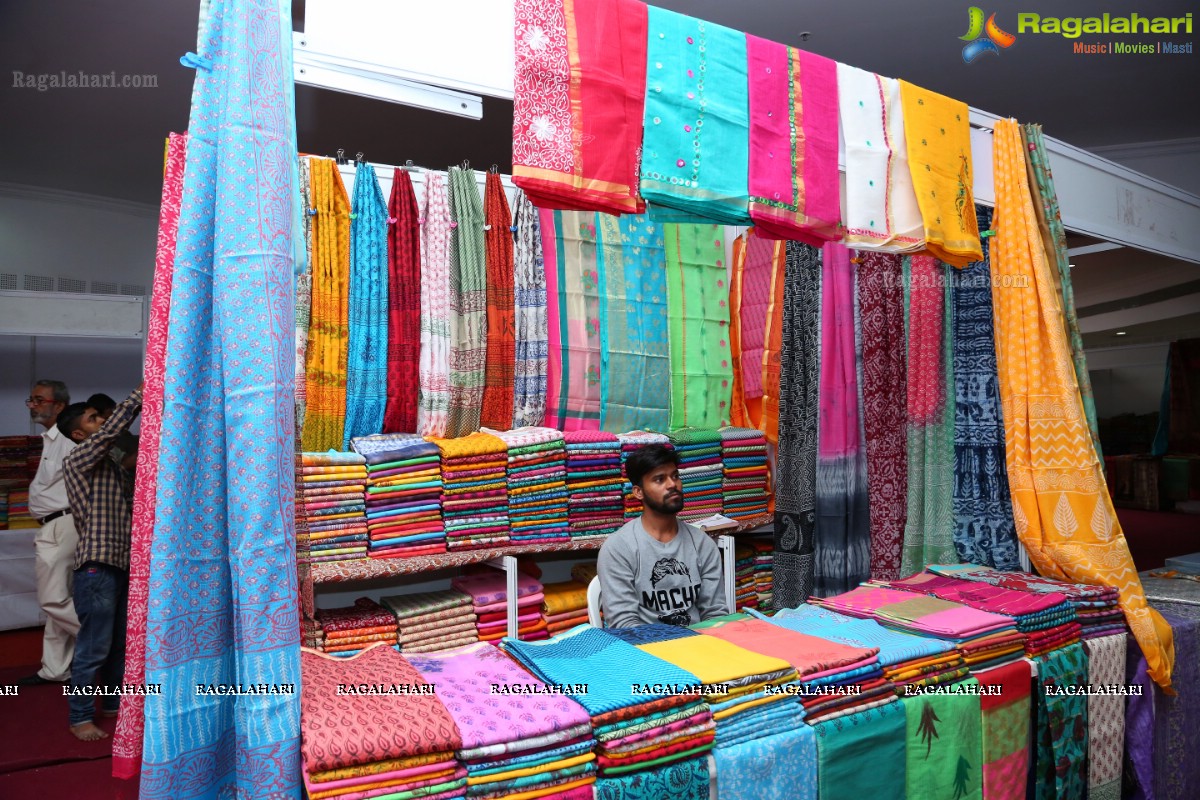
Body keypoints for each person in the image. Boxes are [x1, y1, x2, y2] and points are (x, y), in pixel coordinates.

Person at [58, 386, 142, 741]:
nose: (102, 422)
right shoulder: (77, 460)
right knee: (93, 646)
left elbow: (137, 454)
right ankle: (79, 717)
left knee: (118, 644)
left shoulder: (111, 464)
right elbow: (111, 434)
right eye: (93, 419)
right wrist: (139, 396)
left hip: (118, 564)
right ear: (79, 434)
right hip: (96, 566)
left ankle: (112, 705)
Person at [597, 444, 727, 628]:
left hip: (698, 648)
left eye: (675, 476)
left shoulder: (702, 544)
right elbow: (624, 624)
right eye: (659, 479)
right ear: (638, 492)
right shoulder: (618, 548)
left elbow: (715, 614)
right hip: (646, 651)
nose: (672, 484)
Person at [21, 379, 81, 686]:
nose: (33, 405)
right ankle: (55, 670)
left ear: (60, 405)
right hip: (56, 524)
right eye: (31, 400)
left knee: (53, 599)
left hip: (62, 523)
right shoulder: (51, 439)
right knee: (60, 597)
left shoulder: (69, 439)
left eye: (40, 400)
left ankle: (110, 646)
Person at [86, 392, 139, 471]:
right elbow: (123, 464)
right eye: (108, 419)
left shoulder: (125, 435)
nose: (115, 422)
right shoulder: (94, 444)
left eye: (115, 416)